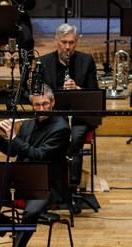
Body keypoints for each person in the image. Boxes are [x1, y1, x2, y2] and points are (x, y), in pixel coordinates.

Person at [0, 86, 70, 247]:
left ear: (52, 103)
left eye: (45, 104)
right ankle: (14, 230)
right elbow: (15, 151)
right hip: (20, 180)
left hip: (46, 184)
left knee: (31, 213)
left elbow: (38, 155)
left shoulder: (61, 128)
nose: (41, 109)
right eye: (37, 105)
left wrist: (15, 137)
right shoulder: (29, 124)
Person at [36, 23, 100, 199]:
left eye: (71, 42)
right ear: (56, 41)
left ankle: (71, 186)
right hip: (52, 115)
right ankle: (49, 185)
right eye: (64, 42)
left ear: (76, 42)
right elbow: (34, 92)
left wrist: (78, 89)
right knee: (53, 137)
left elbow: (95, 94)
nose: (67, 47)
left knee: (74, 138)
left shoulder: (86, 61)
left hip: (79, 117)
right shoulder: (44, 62)